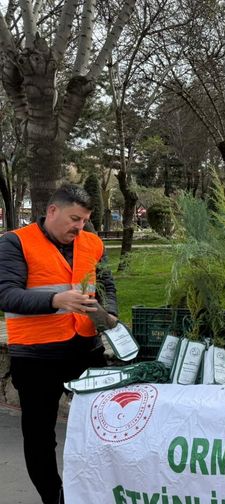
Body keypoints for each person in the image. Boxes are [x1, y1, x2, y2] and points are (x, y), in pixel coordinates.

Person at [0, 183, 117, 504]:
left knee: (106, 429)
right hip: (36, 357)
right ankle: (55, 499)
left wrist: (111, 314)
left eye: (84, 220)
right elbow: (6, 294)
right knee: (39, 439)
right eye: (74, 219)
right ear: (52, 211)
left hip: (86, 350)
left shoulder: (92, 242)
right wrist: (56, 300)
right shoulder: (15, 243)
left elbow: (106, 282)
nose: (80, 227)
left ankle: (98, 494)